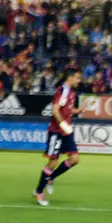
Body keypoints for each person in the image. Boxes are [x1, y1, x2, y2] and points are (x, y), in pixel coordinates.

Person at [33, 70, 82, 206]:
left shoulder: (71, 93)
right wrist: (63, 125)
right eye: (77, 78)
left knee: (74, 159)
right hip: (57, 131)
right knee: (53, 162)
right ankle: (38, 191)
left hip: (66, 132)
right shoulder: (62, 91)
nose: (79, 81)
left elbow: (66, 109)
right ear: (70, 78)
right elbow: (55, 110)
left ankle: (51, 177)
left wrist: (76, 111)